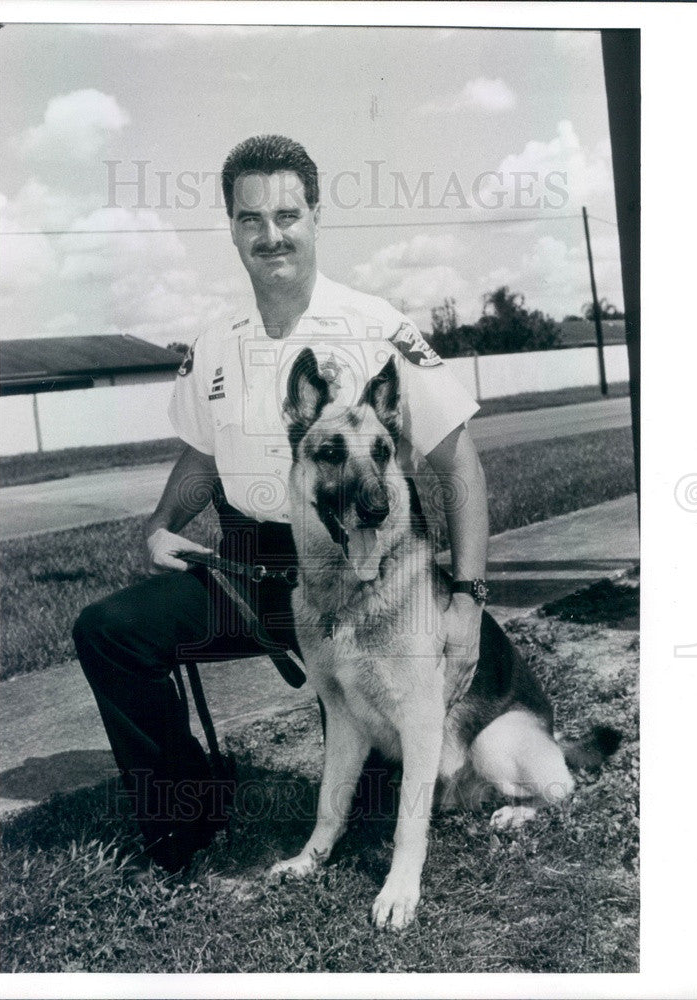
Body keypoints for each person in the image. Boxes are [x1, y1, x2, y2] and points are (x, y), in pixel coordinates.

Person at [73, 134, 489, 874]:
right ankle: (185, 805)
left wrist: (465, 597)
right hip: (252, 571)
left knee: (438, 738)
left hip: (371, 574)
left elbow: (459, 462)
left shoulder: (375, 325)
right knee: (109, 631)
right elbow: (201, 456)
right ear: (231, 227)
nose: (271, 234)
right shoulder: (214, 343)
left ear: (316, 216)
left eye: (287, 214)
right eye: (250, 218)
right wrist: (162, 525)